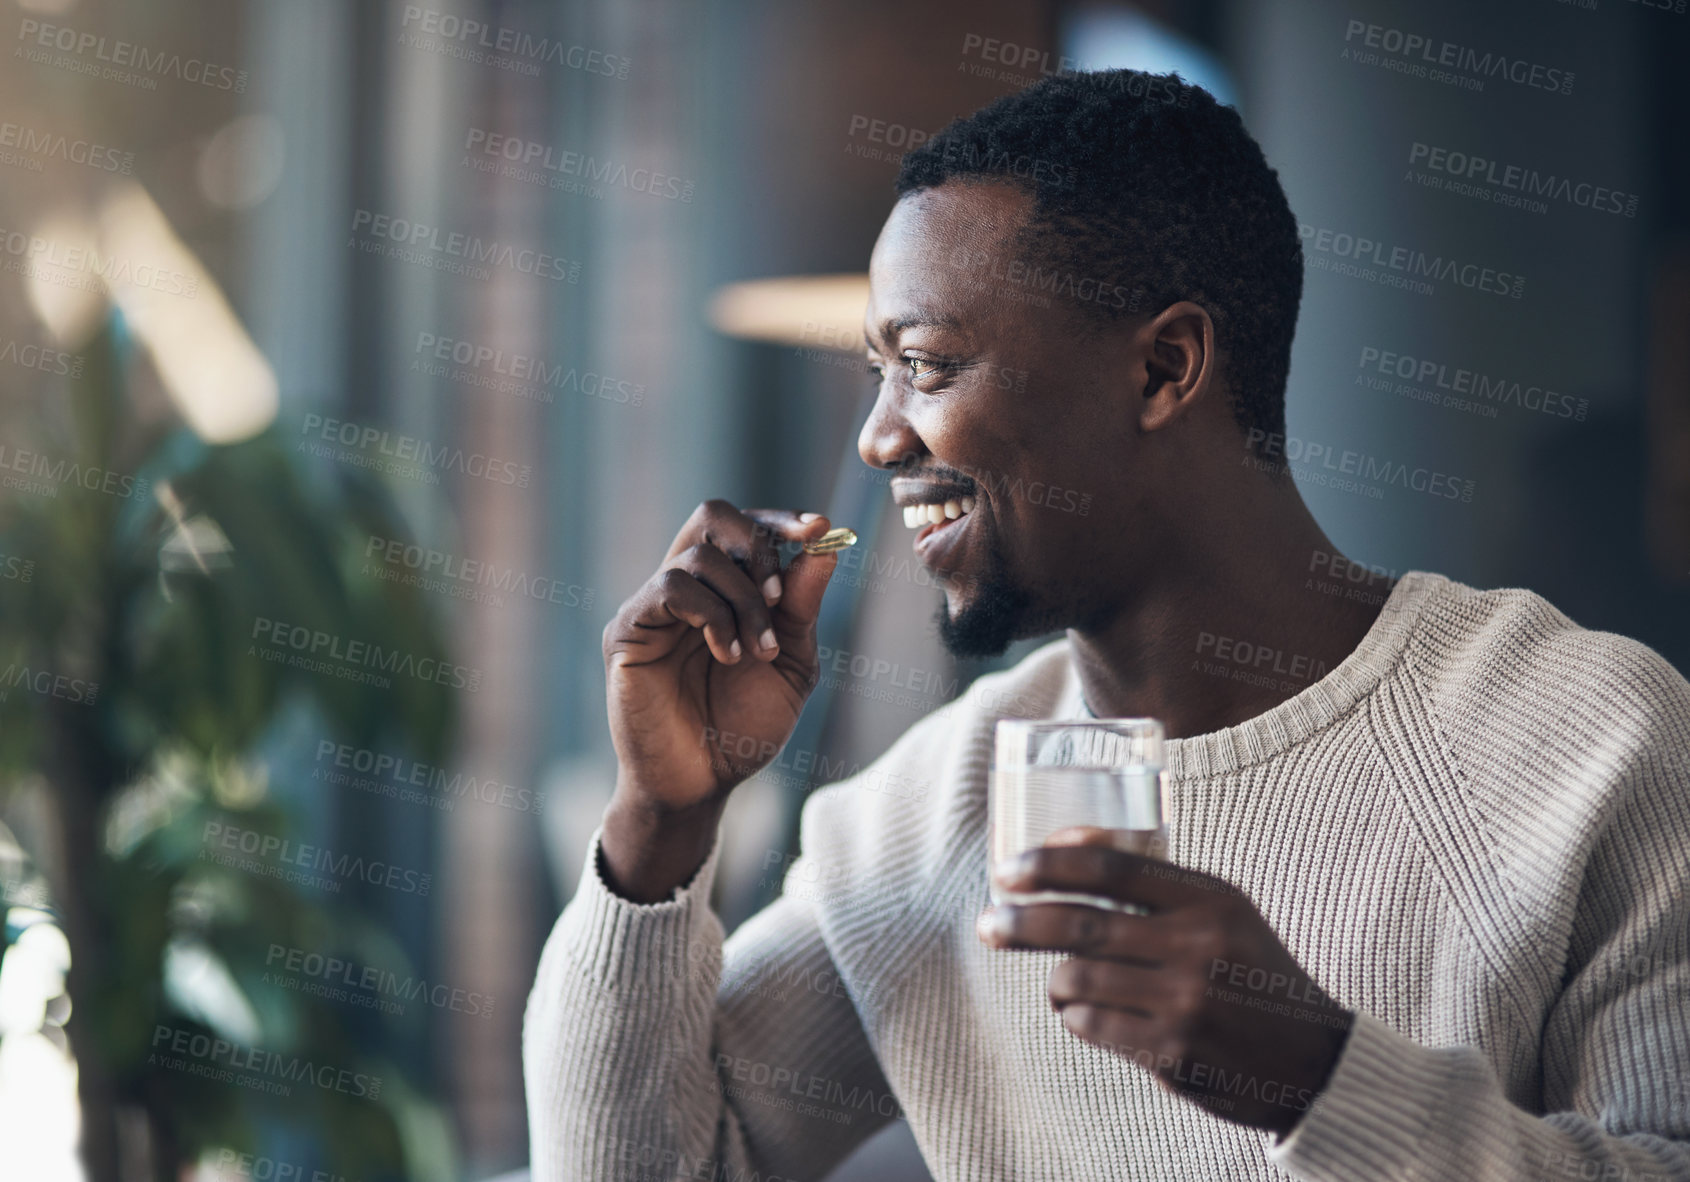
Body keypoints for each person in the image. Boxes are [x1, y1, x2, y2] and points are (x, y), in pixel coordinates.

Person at [524, 68, 1690, 1181]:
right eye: (877, 371)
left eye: (925, 365)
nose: (881, 438)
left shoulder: (1593, 744)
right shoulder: (916, 821)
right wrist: (662, 821)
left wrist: (1322, 1080)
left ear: (1164, 367)